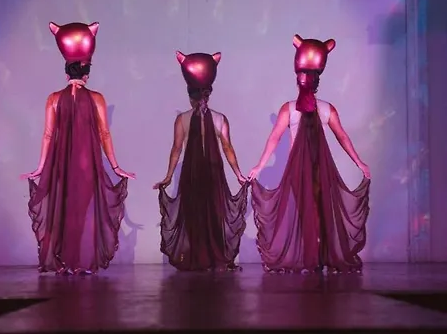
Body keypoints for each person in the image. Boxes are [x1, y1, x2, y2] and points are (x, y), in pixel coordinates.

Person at [248, 34, 371, 274]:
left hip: (314, 169)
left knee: (314, 213)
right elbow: (341, 137)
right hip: (304, 170)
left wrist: (359, 162)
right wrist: (259, 167)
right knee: (315, 213)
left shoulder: (305, 109)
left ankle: (316, 258)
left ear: (299, 79)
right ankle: (316, 257)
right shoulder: (307, 109)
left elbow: (340, 137)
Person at [21, 21, 135, 275]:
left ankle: (65, 261)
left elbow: (48, 135)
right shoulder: (96, 98)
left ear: (66, 73)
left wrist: (40, 168)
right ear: (87, 73)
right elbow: (104, 134)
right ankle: (79, 261)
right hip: (86, 165)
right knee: (83, 211)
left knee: (64, 210)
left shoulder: (53, 99)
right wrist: (116, 166)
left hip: (61, 165)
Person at [154, 51, 249, 271]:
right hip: (213, 175)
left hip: (193, 174)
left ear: (190, 95)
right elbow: (227, 148)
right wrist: (238, 174)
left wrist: (168, 176)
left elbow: (176, 149)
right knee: (214, 215)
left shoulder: (183, 119)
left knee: (195, 215)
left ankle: (200, 256)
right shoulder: (219, 118)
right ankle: (214, 256)